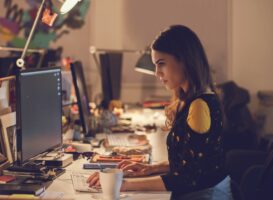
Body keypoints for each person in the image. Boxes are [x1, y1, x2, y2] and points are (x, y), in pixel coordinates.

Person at [87, 25, 232, 200]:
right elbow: (189, 164)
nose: (156, 73)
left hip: (206, 195)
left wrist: (124, 184)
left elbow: (188, 178)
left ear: (184, 60)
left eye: (161, 64)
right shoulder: (193, 98)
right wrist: (151, 168)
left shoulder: (199, 106)